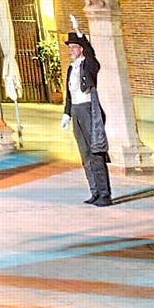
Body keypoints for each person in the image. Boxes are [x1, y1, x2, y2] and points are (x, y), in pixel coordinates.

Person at [61, 17, 112, 206]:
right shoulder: (70, 68)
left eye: (74, 47)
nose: (71, 50)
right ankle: (95, 191)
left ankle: (105, 194)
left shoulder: (89, 65)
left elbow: (91, 54)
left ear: (81, 48)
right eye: (70, 47)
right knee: (84, 153)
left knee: (95, 151)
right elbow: (68, 93)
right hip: (76, 110)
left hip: (88, 110)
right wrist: (67, 113)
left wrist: (79, 31)